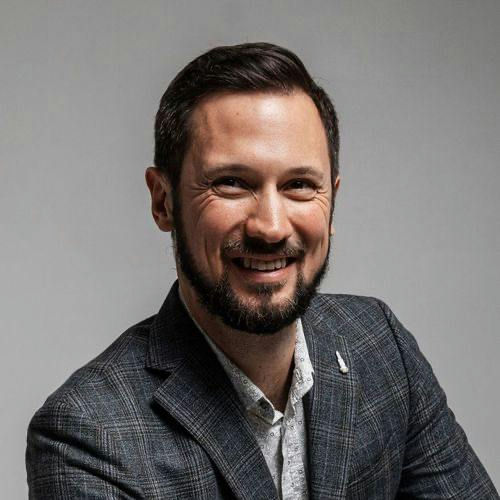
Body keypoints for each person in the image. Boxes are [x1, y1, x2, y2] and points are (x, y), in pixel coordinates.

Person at [26, 42, 498, 499]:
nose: (270, 227)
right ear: (163, 201)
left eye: (299, 185)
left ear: (332, 201)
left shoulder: (380, 346)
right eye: (232, 183)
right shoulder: (87, 436)